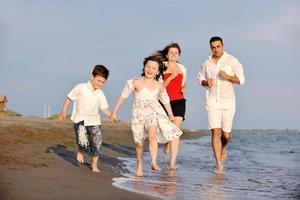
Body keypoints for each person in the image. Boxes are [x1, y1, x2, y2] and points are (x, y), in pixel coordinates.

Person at [110, 55, 183, 177]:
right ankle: (139, 165)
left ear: (158, 71)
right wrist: (114, 111)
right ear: (144, 67)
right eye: (148, 67)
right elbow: (123, 96)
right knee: (139, 143)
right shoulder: (136, 82)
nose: (150, 70)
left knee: (152, 133)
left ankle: (153, 162)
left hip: (153, 113)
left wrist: (170, 114)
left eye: (153, 68)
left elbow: (165, 100)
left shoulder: (159, 86)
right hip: (138, 115)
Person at [197, 36, 245, 174]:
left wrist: (228, 77)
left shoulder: (232, 60)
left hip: (229, 102)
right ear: (210, 47)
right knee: (215, 132)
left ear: (222, 45)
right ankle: (219, 165)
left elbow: (242, 80)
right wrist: (206, 82)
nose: (215, 49)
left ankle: (224, 147)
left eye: (218, 46)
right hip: (212, 102)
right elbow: (200, 77)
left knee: (226, 136)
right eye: (213, 47)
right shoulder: (206, 63)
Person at [58, 65, 112, 173]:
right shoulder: (80, 87)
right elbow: (69, 98)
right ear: (92, 76)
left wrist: (111, 115)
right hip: (80, 119)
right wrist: (63, 112)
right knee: (83, 141)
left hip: (94, 121)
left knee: (97, 142)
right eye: (99, 81)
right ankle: (81, 151)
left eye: (103, 82)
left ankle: (94, 165)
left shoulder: (100, 94)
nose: (100, 84)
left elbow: (105, 108)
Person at [154, 43, 187, 161]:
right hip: (165, 102)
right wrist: (171, 77)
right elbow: (160, 87)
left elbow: (183, 84)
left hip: (179, 101)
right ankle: (168, 142)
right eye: (171, 53)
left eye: (176, 53)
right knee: (167, 129)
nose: (173, 55)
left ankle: (172, 162)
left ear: (179, 55)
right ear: (167, 55)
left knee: (176, 130)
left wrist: (184, 88)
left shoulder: (183, 68)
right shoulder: (161, 66)